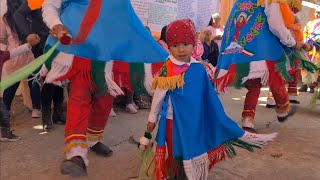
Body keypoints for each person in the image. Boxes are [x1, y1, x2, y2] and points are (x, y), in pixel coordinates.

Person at [41, 0, 168, 177]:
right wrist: (56, 24)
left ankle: (92, 141)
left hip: (109, 54)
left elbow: (126, 18)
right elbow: (50, 5)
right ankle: (77, 153)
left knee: (104, 101)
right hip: (80, 49)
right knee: (79, 97)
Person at [139, 19, 276, 180]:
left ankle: (190, 170)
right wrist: (152, 118)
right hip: (171, 119)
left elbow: (207, 96)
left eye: (185, 44)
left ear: (193, 44)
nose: (181, 50)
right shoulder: (167, 70)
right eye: (175, 46)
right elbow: (158, 97)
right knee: (176, 149)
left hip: (195, 119)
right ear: (169, 47)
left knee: (192, 145)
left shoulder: (198, 68)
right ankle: (176, 173)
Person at [215, 0, 307, 133]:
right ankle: (282, 107)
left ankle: (248, 119)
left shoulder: (239, 1)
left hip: (240, 50)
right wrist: (292, 42)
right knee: (275, 77)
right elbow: (276, 25)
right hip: (263, 49)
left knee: (254, 85)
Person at [13, 0, 65, 131]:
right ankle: (46, 117)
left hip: (62, 43)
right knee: (48, 79)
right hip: (43, 44)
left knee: (60, 76)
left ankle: (58, 113)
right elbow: (18, 15)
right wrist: (27, 33)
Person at [1, 0, 41, 119]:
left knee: (12, 83)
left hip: (13, 55)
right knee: (34, 81)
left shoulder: (4, 19)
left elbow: (2, 37)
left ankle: (6, 110)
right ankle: (36, 109)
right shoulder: (27, 17)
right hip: (28, 52)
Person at [0, 34, 40, 141]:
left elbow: (14, 52)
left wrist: (28, 44)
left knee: (3, 112)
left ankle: (5, 134)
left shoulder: (2, 55)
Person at [301, 8, 320, 93]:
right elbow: (305, 33)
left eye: (319, 13)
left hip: (317, 49)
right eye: (316, 12)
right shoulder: (310, 23)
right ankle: (304, 84)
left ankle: (312, 85)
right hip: (308, 47)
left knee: (315, 66)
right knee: (304, 65)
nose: (317, 14)